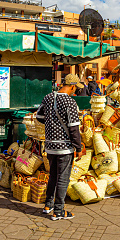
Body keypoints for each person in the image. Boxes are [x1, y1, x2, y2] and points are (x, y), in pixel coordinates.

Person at [36, 74, 83, 220]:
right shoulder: (70, 102)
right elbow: (74, 128)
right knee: (63, 178)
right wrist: (79, 148)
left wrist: (52, 125)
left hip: (50, 145)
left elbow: (39, 116)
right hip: (64, 147)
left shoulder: (48, 97)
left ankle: (48, 205)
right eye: (76, 88)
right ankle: (59, 211)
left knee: (53, 175)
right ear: (73, 86)